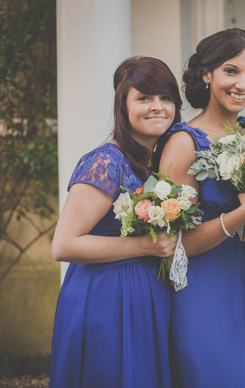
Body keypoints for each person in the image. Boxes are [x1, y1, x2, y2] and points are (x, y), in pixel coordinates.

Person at [158, 28, 245, 387]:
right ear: (207, 74)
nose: (243, 84)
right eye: (231, 71)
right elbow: (176, 246)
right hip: (206, 291)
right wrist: (241, 214)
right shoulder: (183, 143)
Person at [49, 56, 182, 388]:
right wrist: (142, 245)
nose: (158, 107)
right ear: (123, 105)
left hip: (147, 295)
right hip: (106, 299)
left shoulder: (160, 160)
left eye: (166, 98)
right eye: (144, 98)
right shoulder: (106, 162)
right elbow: (64, 244)